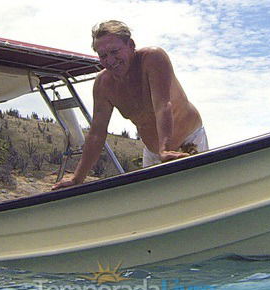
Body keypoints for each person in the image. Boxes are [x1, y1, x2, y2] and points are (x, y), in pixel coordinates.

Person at [52, 21, 207, 189]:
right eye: (103, 56)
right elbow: (97, 134)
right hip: (153, 153)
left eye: (114, 51)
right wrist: (77, 178)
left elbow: (162, 105)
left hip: (188, 142)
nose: (110, 60)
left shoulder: (153, 58)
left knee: (194, 189)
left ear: (131, 45)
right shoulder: (103, 84)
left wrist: (166, 149)